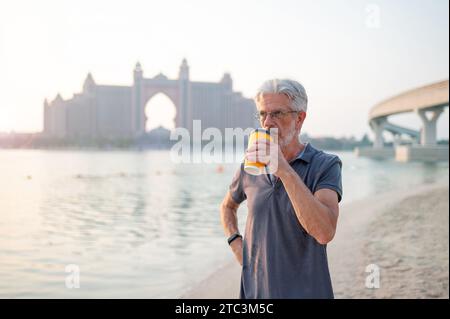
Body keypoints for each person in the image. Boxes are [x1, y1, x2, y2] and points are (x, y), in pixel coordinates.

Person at [220, 79, 343, 299]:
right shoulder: (250, 166)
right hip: (254, 294)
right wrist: (234, 241)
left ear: (299, 118)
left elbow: (325, 232)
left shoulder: (325, 165)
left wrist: (284, 170)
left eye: (277, 114)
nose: (267, 122)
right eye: (263, 114)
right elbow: (227, 207)